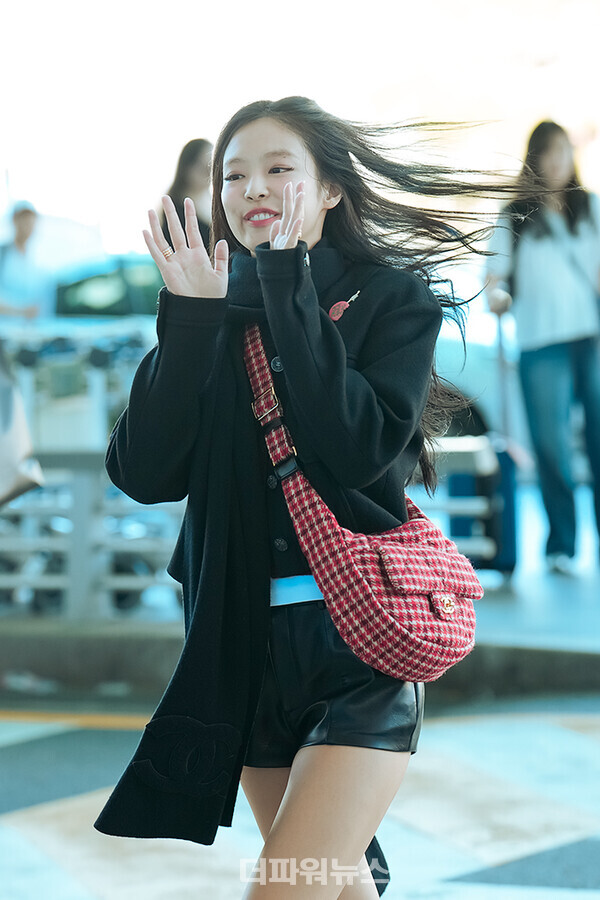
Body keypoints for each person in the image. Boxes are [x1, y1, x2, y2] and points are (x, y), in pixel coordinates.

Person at [94, 97, 509, 898]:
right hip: (239, 649)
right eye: (233, 176)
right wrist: (188, 320)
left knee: (286, 888)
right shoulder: (211, 308)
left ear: (330, 189)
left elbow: (357, 446)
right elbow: (144, 474)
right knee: (335, 884)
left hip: (359, 644)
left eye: (279, 169)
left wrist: (287, 286)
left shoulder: (392, 299)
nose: (253, 188)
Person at [485, 121, 600, 576]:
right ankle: (563, 545)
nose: (557, 160)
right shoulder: (516, 214)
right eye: (549, 152)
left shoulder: (588, 207)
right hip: (539, 342)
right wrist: (497, 297)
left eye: (564, 150)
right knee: (552, 447)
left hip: (591, 338)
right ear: (535, 158)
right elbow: (495, 277)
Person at [0, 202, 53, 319]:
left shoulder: (36, 263)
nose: (28, 225)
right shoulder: (3, 255)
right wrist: (21, 310)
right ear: (14, 221)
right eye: (24, 220)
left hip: (27, 328)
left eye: (31, 221)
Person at [160, 138, 213, 249]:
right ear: (187, 167)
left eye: (211, 166)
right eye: (202, 167)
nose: (208, 173)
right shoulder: (173, 209)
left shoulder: (218, 202)